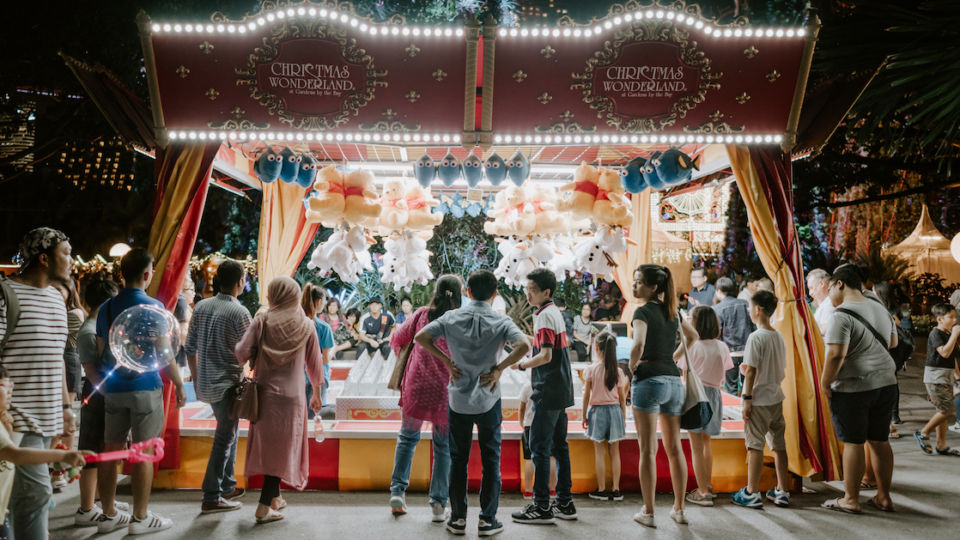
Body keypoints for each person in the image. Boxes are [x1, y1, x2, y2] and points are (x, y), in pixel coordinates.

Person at [416, 270, 530, 537]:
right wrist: (499, 368)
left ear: (467, 291)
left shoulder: (451, 317)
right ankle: (487, 520)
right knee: (492, 460)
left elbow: (421, 337)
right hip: (489, 399)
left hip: (458, 400)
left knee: (458, 461)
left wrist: (446, 360)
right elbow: (524, 344)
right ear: (495, 293)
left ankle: (457, 519)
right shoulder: (501, 321)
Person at [95, 248, 186, 534]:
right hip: (146, 387)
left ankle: (108, 514)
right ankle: (139, 518)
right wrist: (180, 383)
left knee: (111, 450)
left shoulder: (107, 308)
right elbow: (164, 352)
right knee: (144, 451)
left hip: (114, 388)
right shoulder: (155, 308)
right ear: (147, 275)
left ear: (121, 274)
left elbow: (102, 353)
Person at [0, 227, 76, 539]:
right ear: (44, 258)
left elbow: (56, 357)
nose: (71, 261)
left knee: (19, 502)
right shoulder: (6, 294)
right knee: (35, 498)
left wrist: (66, 409)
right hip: (15, 419)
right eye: (66, 254)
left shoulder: (58, 299)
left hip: (48, 419)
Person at [235, 277, 323, 524]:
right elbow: (315, 367)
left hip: (264, 395)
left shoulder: (262, 319)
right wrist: (316, 394)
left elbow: (241, 352)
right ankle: (264, 506)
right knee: (284, 449)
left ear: (273, 295)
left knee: (270, 449)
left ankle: (273, 499)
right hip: (293, 398)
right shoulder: (307, 325)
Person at [820, 264, 898, 514]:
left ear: (839, 284)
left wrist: (825, 382)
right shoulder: (879, 307)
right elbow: (894, 342)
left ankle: (850, 499)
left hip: (853, 387)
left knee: (853, 442)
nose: (829, 292)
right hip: (887, 383)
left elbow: (835, 355)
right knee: (879, 440)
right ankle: (884, 497)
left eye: (830, 287)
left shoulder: (841, 315)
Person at [387, 275, 461, 520]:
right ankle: (439, 504)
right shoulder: (460, 320)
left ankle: (397, 493)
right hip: (445, 392)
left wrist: (412, 360)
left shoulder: (421, 315)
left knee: (407, 438)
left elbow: (397, 339)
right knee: (443, 448)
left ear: (436, 291)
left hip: (416, 387)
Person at [628, 264, 697, 527]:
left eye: (638, 282)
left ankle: (648, 512)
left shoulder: (642, 311)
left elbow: (637, 344)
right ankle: (679, 509)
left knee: (647, 450)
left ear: (653, 287)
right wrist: (672, 358)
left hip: (648, 381)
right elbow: (692, 337)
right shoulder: (673, 311)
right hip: (673, 382)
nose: (635, 286)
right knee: (675, 448)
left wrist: (632, 366)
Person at [185, 260, 252, 514]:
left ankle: (227, 485)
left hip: (207, 383)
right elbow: (248, 351)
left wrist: (196, 375)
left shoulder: (201, 306)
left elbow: (189, 347)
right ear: (239, 282)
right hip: (228, 384)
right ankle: (212, 494)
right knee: (225, 436)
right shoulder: (239, 312)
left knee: (229, 432)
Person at [512, 268, 577, 525]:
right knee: (560, 447)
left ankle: (541, 506)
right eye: (526, 289)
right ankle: (564, 502)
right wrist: (521, 338)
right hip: (561, 389)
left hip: (547, 390)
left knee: (539, 447)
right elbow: (544, 345)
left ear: (546, 292)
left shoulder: (543, 317)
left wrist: (521, 365)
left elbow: (545, 355)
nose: (527, 294)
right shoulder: (553, 313)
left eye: (532, 290)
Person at [0, 365, 91, 536]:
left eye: (10, 385)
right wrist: (65, 455)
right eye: (3, 386)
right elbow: (16, 455)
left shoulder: (5, 423)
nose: (10, 390)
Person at [731, 291, 791, 509]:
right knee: (779, 445)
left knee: (754, 445)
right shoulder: (778, 336)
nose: (748, 310)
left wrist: (746, 398)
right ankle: (783, 490)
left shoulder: (756, 337)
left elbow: (751, 371)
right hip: (776, 397)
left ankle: (751, 491)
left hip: (758, 399)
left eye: (750, 306)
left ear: (758, 310)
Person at [74, 279, 125, 526]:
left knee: (100, 450)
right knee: (93, 451)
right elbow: (92, 372)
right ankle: (87, 508)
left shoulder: (97, 326)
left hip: (101, 392)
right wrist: (112, 395)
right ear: (106, 302)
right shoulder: (89, 330)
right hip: (97, 394)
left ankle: (101, 500)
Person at [678, 306, 733, 507]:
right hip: (715, 396)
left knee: (696, 446)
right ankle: (707, 485)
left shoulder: (691, 346)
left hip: (695, 395)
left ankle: (701, 492)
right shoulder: (722, 347)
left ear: (696, 323)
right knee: (707, 443)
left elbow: (684, 375)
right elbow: (724, 374)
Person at [582, 331, 628, 502]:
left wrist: (583, 416)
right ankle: (616, 490)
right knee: (615, 452)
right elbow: (622, 398)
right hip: (615, 411)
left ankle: (601, 490)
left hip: (597, 411)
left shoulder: (591, 370)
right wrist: (623, 418)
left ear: (596, 348)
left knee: (600, 452)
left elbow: (586, 396)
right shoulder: (618, 372)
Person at [51, 277, 85, 489]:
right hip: (58, 361)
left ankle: (60, 469)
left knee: (66, 419)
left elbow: (55, 334)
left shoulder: (74, 314)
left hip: (68, 361)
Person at [915, 304, 959, 456]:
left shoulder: (948, 333)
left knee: (942, 410)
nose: (955, 320)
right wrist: (954, 335)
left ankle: (941, 445)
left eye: (955, 316)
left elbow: (952, 357)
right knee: (948, 410)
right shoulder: (936, 334)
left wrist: (958, 376)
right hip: (935, 378)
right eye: (951, 317)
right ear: (940, 319)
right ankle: (923, 432)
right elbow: (945, 353)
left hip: (946, 377)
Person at [713, 277, 755, 394]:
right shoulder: (745, 304)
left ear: (719, 291)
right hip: (747, 351)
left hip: (729, 353)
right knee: (748, 387)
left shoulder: (717, 309)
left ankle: (736, 411)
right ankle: (748, 410)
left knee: (731, 388)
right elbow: (753, 326)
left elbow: (717, 333)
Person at [518, 376, 556, 500]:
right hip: (548, 424)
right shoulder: (550, 383)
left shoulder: (527, 386)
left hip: (530, 424)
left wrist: (522, 422)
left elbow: (522, 407)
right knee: (550, 457)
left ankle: (528, 490)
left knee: (529, 458)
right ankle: (552, 490)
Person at [301, 284, 334, 414]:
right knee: (313, 417)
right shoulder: (323, 327)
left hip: (298, 376)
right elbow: (325, 359)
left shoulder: (297, 323)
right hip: (316, 378)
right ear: (319, 301)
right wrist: (334, 350)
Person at [807, 269, 836, 335]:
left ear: (822, 284)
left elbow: (824, 331)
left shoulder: (829, 304)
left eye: (811, 288)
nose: (810, 293)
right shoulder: (825, 303)